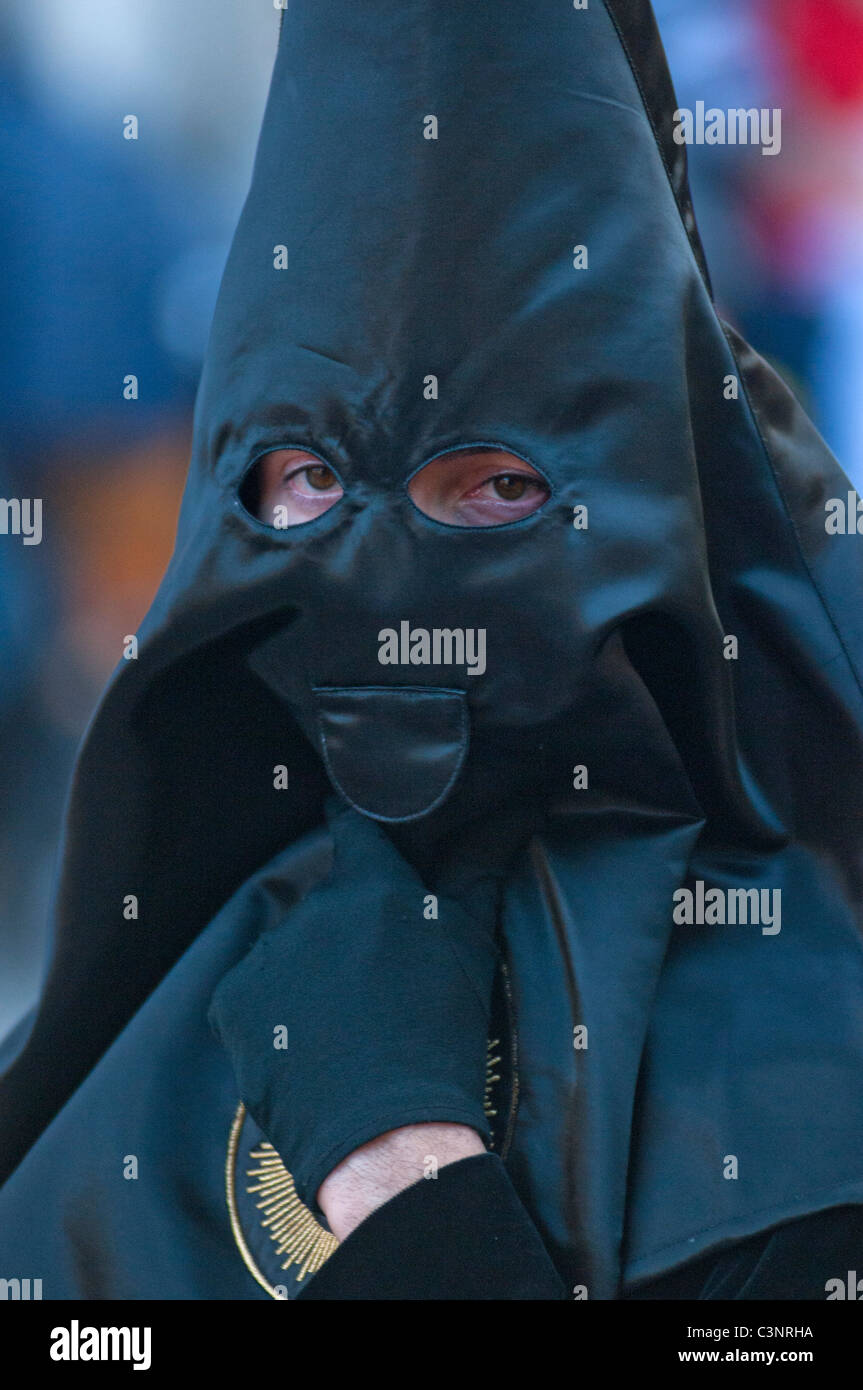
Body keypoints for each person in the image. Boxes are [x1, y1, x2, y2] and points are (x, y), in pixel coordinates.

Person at [2, 0, 863, 1302]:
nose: (390, 572)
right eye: (312, 481)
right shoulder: (136, 1016)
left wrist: (399, 1169)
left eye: (499, 485)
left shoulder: (807, 1085)